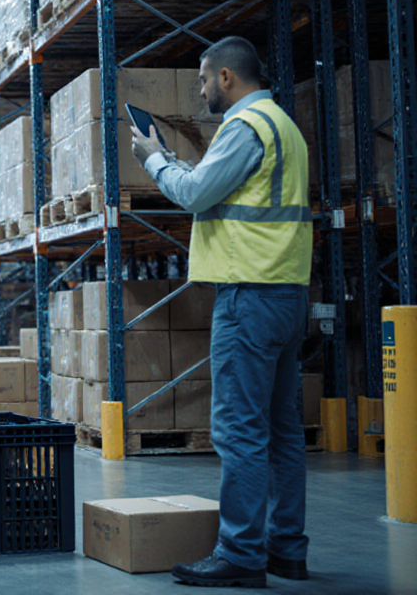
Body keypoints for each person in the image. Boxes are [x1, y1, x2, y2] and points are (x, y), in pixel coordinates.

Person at [130, 36, 312, 588]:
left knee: (239, 431)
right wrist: (189, 167)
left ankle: (240, 554)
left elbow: (194, 195)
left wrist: (155, 158)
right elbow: (227, 191)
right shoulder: (282, 125)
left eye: (206, 79)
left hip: (248, 294)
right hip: (286, 291)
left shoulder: (244, 125)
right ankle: (286, 549)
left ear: (228, 77)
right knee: (281, 432)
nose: (203, 89)